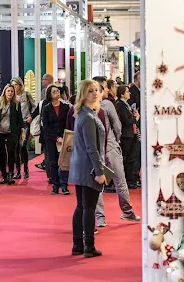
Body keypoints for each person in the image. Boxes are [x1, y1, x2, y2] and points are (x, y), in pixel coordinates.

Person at [92, 77, 141, 226]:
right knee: (120, 180)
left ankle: (100, 218)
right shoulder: (107, 104)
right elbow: (117, 126)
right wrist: (116, 140)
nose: (108, 89)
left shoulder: (87, 106)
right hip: (110, 147)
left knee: (97, 184)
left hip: (95, 150)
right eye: (106, 87)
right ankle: (127, 211)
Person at [69, 79, 106, 258]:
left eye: (97, 90)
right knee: (88, 207)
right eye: (91, 91)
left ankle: (78, 244)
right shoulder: (88, 117)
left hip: (80, 165)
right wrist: (99, 171)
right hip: (88, 167)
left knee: (82, 206)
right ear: (83, 94)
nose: (95, 93)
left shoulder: (83, 114)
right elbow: (92, 148)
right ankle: (88, 245)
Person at [0, 84, 25, 185]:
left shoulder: (16, 104)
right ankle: (4, 175)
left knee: (11, 152)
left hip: (11, 132)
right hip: (0, 131)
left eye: (12, 91)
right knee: (1, 154)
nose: (10, 93)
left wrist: (22, 131)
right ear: (4, 92)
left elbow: (20, 119)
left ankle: (10, 174)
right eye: (8, 91)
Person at [42, 84, 70, 195]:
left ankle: (64, 185)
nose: (57, 93)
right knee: (53, 162)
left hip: (64, 137)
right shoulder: (46, 108)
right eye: (54, 91)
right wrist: (56, 137)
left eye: (58, 91)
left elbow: (68, 123)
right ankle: (55, 185)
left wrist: (63, 137)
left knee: (64, 162)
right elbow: (46, 126)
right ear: (49, 94)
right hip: (51, 138)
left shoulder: (65, 107)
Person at [116, 85, 140, 189]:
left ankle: (130, 179)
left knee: (131, 158)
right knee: (125, 158)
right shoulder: (120, 105)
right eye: (127, 91)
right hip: (126, 135)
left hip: (131, 134)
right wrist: (135, 119)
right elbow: (126, 121)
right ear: (122, 94)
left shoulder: (127, 105)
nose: (129, 93)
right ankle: (126, 180)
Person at [11, 77, 34, 179]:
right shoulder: (11, 96)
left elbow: (34, 106)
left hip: (25, 122)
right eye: (13, 85)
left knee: (23, 145)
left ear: (20, 85)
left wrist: (31, 116)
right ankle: (18, 170)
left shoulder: (26, 95)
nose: (14, 87)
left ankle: (25, 168)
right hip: (16, 124)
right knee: (16, 147)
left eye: (16, 85)